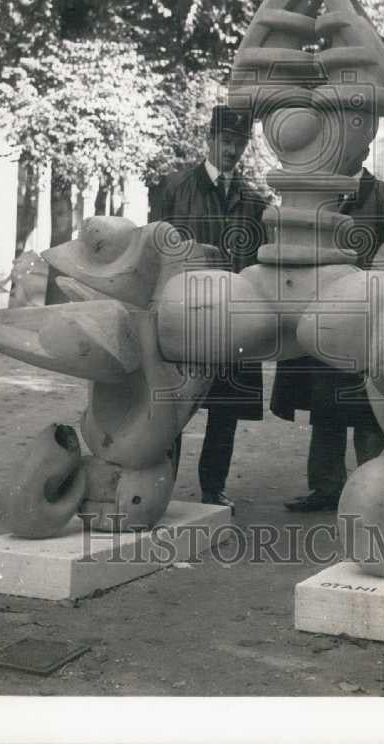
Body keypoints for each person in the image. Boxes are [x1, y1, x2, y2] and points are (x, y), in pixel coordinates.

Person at [272, 148, 384, 512]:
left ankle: (375, 493)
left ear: (364, 147)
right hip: (324, 322)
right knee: (326, 410)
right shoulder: (317, 196)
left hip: (372, 324)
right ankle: (326, 488)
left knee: (371, 413)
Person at [152, 105, 267, 513]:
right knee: (171, 406)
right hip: (183, 316)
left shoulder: (253, 201)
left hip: (232, 319)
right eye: (226, 141)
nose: (232, 150)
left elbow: (257, 262)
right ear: (210, 139)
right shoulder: (175, 188)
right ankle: (159, 485)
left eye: (240, 143)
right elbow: (154, 251)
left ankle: (213, 488)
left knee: (225, 410)